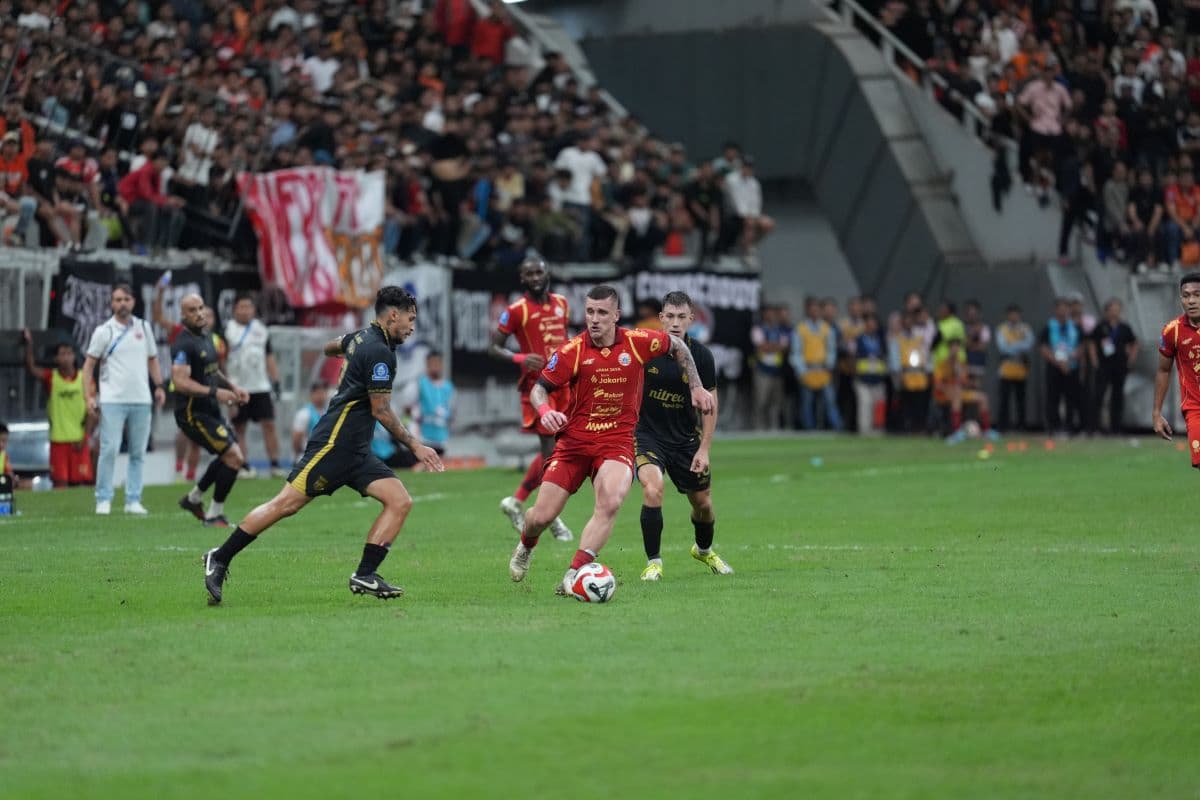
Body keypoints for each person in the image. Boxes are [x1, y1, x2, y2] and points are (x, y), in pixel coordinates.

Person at [201, 287, 445, 605]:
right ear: (393, 315)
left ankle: (365, 574)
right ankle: (219, 556)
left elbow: (333, 346)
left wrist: (346, 361)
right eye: (410, 320)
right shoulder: (379, 352)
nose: (412, 327)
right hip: (333, 444)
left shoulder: (362, 338)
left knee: (399, 501)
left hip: (356, 450)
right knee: (285, 505)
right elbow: (381, 409)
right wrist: (415, 445)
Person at [507, 285, 715, 596]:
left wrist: (697, 387)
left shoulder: (637, 342)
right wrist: (546, 410)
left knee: (611, 501)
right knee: (541, 516)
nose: (594, 319)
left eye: (602, 312)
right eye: (590, 311)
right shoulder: (572, 351)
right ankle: (526, 545)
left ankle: (574, 575)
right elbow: (539, 388)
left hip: (616, 442)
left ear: (616, 315)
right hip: (574, 444)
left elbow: (679, 348)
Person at [634, 291, 731, 581]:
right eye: (670, 317)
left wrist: (704, 449)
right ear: (661, 319)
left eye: (681, 317)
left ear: (691, 318)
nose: (675, 323)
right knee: (653, 489)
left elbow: (710, 407)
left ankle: (703, 550)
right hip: (647, 435)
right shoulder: (644, 350)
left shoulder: (701, 355)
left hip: (686, 439)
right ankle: (654, 563)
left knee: (702, 504)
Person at [488, 257, 573, 541]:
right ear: (522, 279)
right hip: (537, 389)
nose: (536, 277)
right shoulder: (516, 311)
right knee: (551, 451)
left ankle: (517, 500)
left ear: (548, 273)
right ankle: (551, 517)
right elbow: (493, 348)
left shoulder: (562, 303)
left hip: (564, 384)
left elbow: (565, 338)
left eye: (539, 271)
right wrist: (521, 357)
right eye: (529, 274)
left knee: (558, 449)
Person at [81, 284, 167, 516]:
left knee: (138, 452)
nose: (122, 304)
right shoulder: (104, 331)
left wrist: (159, 386)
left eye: (126, 299)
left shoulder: (144, 327)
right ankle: (103, 498)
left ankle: (133, 499)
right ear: (111, 303)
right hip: (112, 399)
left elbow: (152, 359)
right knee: (109, 449)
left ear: (133, 302)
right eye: (118, 299)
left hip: (141, 398)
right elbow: (88, 366)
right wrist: (89, 396)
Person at [172, 293, 249, 528]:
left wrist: (233, 387)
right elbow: (181, 382)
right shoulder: (183, 344)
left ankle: (193, 499)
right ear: (183, 315)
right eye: (192, 310)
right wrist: (216, 393)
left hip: (210, 410)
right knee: (234, 457)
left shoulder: (206, 338)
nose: (199, 313)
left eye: (201, 308)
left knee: (228, 456)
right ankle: (214, 515)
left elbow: (212, 371)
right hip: (191, 414)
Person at [21, 330, 94, 488]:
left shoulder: (84, 378)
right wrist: (29, 345)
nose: (66, 357)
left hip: (78, 438)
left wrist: (85, 436)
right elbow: (32, 368)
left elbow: (92, 411)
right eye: (62, 354)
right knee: (60, 483)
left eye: (69, 353)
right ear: (56, 358)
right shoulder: (51, 377)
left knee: (81, 483)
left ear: (74, 356)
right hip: (58, 439)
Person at [224, 294, 285, 477]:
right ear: (235, 310)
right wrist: (227, 386)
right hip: (237, 386)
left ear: (253, 309)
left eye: (248, 307)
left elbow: (269, 357)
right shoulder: (227, 330)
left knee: (269, 425)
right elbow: (222, 358)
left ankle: (275, 464)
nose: (244, 310)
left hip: (261, 386)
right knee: (240, 427)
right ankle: (243, 465)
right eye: (241, 307)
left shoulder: (261, 330)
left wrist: (276, 381)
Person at [791, 297, 842, 431]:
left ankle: (836, 426)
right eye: (811, 309)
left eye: (817, 309)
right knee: (807, 402)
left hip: (823, 369)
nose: (814, 312)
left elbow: (831, 350)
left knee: (830, 401)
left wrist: (829, 366)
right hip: (807, 369)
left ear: (820, 311)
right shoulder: (800, 329)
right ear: (807, 311)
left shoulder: (827, 329)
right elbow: (796, 352)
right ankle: (809, 428)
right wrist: (801, 371)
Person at [1089, 299, 1138, 434]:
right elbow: (1092, 343)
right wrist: (1094, 361)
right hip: (1104, 366)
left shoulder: (1124, 327)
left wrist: (1131, 360)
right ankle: (1094, 427)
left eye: (1117, 309)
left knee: (1117, 396)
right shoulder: (1101, 326)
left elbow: (1134, 343)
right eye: (1112, 309)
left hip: (1120, 366)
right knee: (1098, 395)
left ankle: (1115, 428)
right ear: (1107, 311)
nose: (1114, 312)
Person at [1040, 298, 1083, 436]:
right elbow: (1043, 347)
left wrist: (1070, 359)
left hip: (1071, 366)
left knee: (1071, 397)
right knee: (1053, 397)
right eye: (1060, 308)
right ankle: (1053, 427)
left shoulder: (1075, 326)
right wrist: (1058, 362)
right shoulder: (1049, 326)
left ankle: (1070, 427)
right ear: (1056, 310)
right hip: (1054, 366)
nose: (1063, 311)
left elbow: (1081, 346)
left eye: (1066, 308)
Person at [749, 304, 791, 430]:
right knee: (761, 400)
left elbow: (785, 347)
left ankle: (774, 428)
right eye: (768, 313)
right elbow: (761, 346)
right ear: (764, 314)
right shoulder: (758, 329)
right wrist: (776, 346)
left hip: (777, 371)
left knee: (776, 402)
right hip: (762, 370)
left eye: (773, 313)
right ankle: (759, 427)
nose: (771, 315)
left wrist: (770, 346)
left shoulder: (780, 329)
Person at [995, 304, 1035, 432]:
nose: (1014, 316)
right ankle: (1003, 427)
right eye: (1011, 314)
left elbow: (1028, 345)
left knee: (1021, 400)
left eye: (1016, 314)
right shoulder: (1002, 329)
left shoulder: (1025, 328)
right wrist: (1018, 345)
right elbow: (1003, 348)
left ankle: (1021, 426)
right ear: (1008, 315)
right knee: (1004, 400)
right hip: (1006, 368)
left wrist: (1012, 344)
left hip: (1020, 368)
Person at [852, 313, 888, 434]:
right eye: (869, 324)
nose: (871, 327)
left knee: (878, 405)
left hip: (877, 378)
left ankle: (877, 428)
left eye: (873, 324)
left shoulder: (881, 340)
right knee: (865, 404)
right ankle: (864, 429)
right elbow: (853, 356)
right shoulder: (858, 339)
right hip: (862, 378)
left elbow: (886, 357)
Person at [416, 351, 454, 456]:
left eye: (437, 363)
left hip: (442, 436)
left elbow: (451, 410)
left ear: (441, 364)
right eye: (432, 363)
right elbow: (411, 407)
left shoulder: (448, 386)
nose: (435, 366)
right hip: (424, 436)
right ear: (427, 364)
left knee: (439, 467)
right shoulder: (421, 383)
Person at [291, 382, 329, 461]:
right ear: (312, 394)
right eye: (318, 393)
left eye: (323, 393)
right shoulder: (304, 414)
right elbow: (296, 438)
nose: (321, 396)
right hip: (307, 456)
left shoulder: (329, 413)